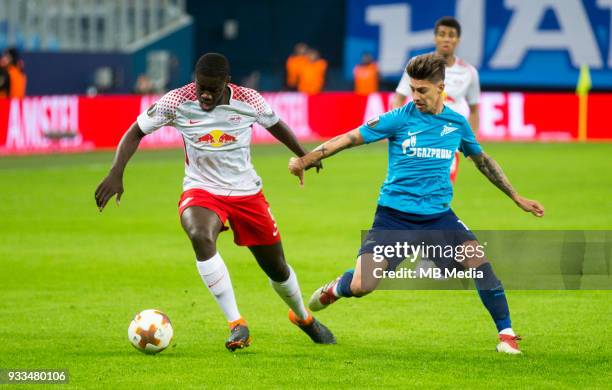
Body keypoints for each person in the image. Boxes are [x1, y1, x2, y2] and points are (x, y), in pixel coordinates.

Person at [288, 54, 544, 354]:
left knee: (479, 263)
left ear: (441, 87)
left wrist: (516, 197)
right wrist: (307, 159)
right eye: (412, 89)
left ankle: (507, 335)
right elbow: (348, 139)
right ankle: (339, 287)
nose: (416, 96)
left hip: (439, 218)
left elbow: (483, 161)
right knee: (363, 286)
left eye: (422, 90)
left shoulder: (456, 123)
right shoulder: (399, 117)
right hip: (395, 219)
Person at [95, 53, 335, 351]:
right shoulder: (176, 101)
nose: (205, 94)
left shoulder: (250, 100)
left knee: (277, 269)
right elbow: (135, 131)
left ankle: (302, 317)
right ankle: (237, 324)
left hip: (247, 194)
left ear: (226, 83)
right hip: (202, 189)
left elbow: (276, 125)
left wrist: (304, 154)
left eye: (212, 88)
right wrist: (116, 172)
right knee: (199, 234)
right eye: (201, 87)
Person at [392, 17, 479, 183]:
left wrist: (472, 142)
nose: (446, 38)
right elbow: (399, 99)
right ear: (435, 37)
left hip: (450, 135)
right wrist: (397, 128)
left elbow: (474, 110)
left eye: (451, 35)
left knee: (443, 186)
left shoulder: (469, 72)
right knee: (415, 185)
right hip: (420, 133)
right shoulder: (417, 65)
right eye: (442, 34)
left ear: (458, 40)